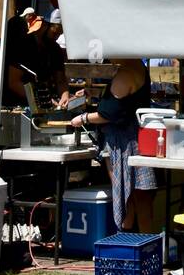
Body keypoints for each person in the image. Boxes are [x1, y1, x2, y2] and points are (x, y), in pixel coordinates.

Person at [71, 59, 158, 231]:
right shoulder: (137, 66)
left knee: (129, 194)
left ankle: (132, 243)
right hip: (135, 139)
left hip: (125, 143)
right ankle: (135, 243)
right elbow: (123, 104)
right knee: (135, 196)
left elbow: (109, 114)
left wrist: (82, 118)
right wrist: (94, 93)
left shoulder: (125, 73)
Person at [21, 12, 69, 107]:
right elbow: (22, 82)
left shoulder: (55, 49)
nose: (57, 37)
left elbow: (60, 79)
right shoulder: (27, 48)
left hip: (50, 98)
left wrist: (65, 95)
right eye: (55, 33)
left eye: (60, 34)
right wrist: (44, 98)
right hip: (30, 100)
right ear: (45, 26)